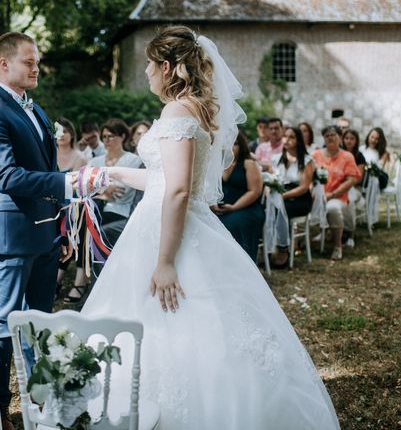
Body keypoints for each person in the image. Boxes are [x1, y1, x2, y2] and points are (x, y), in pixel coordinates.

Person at [82, 26, 340, 429]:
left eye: (150, 65)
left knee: (176, 317)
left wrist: (165, 260)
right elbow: (166, 180)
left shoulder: (175, 112)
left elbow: (180, 190)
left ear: (166, 68)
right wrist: (111, 172)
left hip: (169, 233)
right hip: (172, 219)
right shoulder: (195, 109)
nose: (147, 72)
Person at [0, 32, 73, 430]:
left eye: (38, 61)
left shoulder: (35, 108)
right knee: (4, 320)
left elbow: (46, 169)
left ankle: (41, 401)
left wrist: (62, 222)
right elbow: (7, 177)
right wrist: (68, 184)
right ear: (4, 64)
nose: (36, 67)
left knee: (39, 320)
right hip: (12, 236)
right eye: (29, 62)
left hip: (47, 233)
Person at [63, 118, 142, 303]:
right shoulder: (95, 160)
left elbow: (123, 193)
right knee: (83, 217)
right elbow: (82, 187)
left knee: (85, 223)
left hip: (119, 210)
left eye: (111, 136)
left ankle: (81, 280)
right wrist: (105, 189)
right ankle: (81, 279)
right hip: (95, 208)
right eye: (104, 136)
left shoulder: (132, 160)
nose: (106, 140)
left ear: (122, 136)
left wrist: (97, 188)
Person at [311, 125, 361, 260]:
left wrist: (332, 195)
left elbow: (351, 180)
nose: (330, 138)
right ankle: (297, 242)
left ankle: (337, 246)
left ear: (339, 137)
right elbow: (308, 175)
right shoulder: (316, 154)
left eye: (333, 135)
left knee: (332, 208)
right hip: (316, 195)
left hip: (338, 196)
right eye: (327, 136)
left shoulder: (347, 156)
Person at [214, 131, 265, 262]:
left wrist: (234, 207)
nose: (231, 147)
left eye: (235, 144)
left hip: (247, 208)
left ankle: (238, 264)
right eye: (227, 144)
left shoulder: (248, 163)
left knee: (230, 224)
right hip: (222, 208)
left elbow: (254, 192)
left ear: (241, 146)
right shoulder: (218, 164)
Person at [270, 126, 315, 267]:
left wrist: (283, 196)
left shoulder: (307, 161)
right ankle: (269, 248)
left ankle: (284, 249)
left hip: (300, 198)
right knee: (266, 208)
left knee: (280, 208)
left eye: (292, 137)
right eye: (286, 136)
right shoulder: (276, 159)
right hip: (280, 193)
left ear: (299, 141)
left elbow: (304, 187)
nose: (287, 140)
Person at [55, 117, 87, 294]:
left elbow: (76, 189)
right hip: (51, 205)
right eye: (58, 131)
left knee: (72, 221)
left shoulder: (79, 157)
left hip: (71, 205)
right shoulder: (48, 154)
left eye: (65, 131)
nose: (62, 134)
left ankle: (61, 278)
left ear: (72, 134)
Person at [341, 129, 366, 249]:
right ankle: (327, 230)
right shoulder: (338, 153)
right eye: (346, 138)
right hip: (339, 186)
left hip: (355, 188)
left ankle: (350, 234)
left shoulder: (359, 156)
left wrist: (346, 182)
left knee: (348, 200)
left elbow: (359, 178)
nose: (349, 141)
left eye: (352, 139)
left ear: (356, 141)